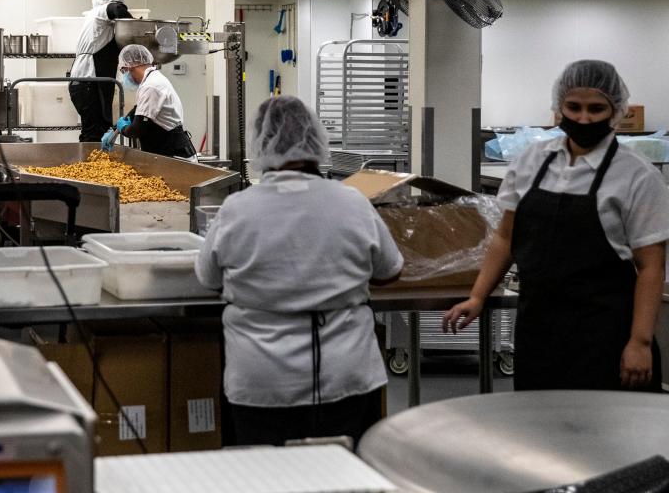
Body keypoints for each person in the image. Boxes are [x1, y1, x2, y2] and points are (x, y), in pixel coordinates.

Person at [443, 60, 669, 392]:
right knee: (540, 431)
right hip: (539, 330)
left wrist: (640, 342)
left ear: (615, 110)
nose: (584, 118)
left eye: (596, 108)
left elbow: (651, 267)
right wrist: (477, 296)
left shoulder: (636, 175)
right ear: (558, 107)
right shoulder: (532, 160)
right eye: (573, 107)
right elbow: (506, 237)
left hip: (605, 333)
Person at [194, 95, 403, 447]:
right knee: (345, 479)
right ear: (315, 140)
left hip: (262, 381)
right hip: (343, 375)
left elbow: (208, 278)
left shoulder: (237, 210)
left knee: (266, 479)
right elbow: (389, 271)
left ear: (260, 144)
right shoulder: (351, 202)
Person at [103, 44, 195, 159]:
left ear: (130, 66)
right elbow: (137, 111)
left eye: (123, 71)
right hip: (165, 152)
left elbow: (137, 130)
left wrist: (123, 129)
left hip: (174, 155)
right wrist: (114, 130)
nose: (124, 76)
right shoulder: (151, 80)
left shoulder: (151, 86)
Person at [69, 0, 132, 142]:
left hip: (89, 81)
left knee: (99, 129)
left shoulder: (102, 25)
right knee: (94, 132)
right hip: (90, 80)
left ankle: (95, 162)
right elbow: (117, 9)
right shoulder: (99, 12)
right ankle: (92, 163)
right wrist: (134, 24)